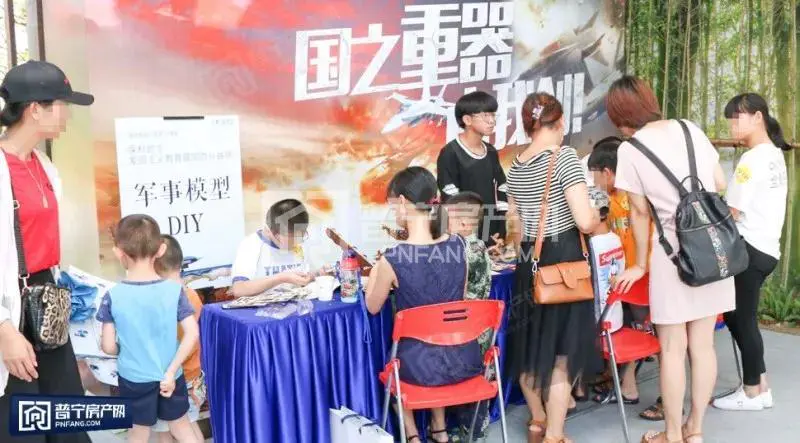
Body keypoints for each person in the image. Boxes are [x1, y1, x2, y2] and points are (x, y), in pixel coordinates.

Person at [607, 75, 735, 443]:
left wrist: (639, 264)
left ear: (620, 116)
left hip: (672, 254)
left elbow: (638, 211)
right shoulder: (689, 128)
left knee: (673, 349)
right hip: (711, 249)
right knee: (703, 346)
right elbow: (719, 183)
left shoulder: (630, 150)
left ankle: (672, 434)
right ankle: (695, 429)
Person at [0, 60, 94, 443]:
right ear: (34, 109)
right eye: (61, 105)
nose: (66, 115)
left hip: (46, 302)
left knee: (67, 419)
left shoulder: (43, 164)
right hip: (11, 308)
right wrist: (4, 330)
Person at [505, 92, 600, 443]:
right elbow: (584, 220)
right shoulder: (565, 158)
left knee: (531, 348)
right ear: (559, 122)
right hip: (563, 265)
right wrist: (596, 212)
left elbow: (515, 226)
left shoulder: (515, 166)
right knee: (561, 357)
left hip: (528, 262)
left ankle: (537, 419)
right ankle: (555, 436)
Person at [365, 167, 483, 443]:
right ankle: (439, 430)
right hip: (464, 360)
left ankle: (413, 437)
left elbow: (372, 307)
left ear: (402, 202)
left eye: (392, 206)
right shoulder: (459, 246)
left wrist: (375, 272)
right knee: (435, 341)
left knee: (398, 363)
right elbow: (457, 299)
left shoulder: (393, 259)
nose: (393, 213)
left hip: (418, 370)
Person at [712, 93, 790, 412]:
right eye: (730, 119)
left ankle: (751, 392)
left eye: (737, 117)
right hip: (767, 248)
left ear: (758, 117)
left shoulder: (751, 160)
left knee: (741, 319)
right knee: (739, 316)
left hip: (748, 249)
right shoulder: (773, 154)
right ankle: (762, 385)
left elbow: (732, 211)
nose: (732, 125)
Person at [97, 215, 200, 443]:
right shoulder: (174, 291)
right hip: (170, 375)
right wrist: (171, 371)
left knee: (138, 432)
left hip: (133, 378)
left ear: (118, 252)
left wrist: (122, 349)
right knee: (182, 427)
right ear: (161, 249)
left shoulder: (113, 296)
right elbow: (192, 333)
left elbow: (108, 346)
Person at [587, 137, 664, 420]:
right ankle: (627, 386)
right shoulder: (611, 200)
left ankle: (666, 399)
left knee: (661, 339)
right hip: (628, 282)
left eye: (595, 175)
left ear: (607, 172)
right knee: (632, 328)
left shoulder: (636, 198)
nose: (594, 181)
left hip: (648, 278)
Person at [436, 90, 508, 245]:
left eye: (493, 115)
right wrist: (470, 235)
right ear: (467, 119)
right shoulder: (450, 153)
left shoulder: (490, 151)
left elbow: (501, 187)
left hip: (493, 232)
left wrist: (501, 228)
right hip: (465, 236)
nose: (491, 121)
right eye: (485, 115)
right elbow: (451, 198)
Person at [153, 235, 206, 441]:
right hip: (192, 376)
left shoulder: (169, 300)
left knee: (168, 431)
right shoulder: (191, 295)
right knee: (188, 425)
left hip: (174, 378)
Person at [230, 199, 314, 297]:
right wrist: (281, 278)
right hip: (260, 305)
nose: (296, 244)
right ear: (270, 232)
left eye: (300, 237)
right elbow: (239, 289)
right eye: (290, 240)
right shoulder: (252, 245)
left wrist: (314, 275)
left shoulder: (300, 243)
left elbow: (304, 275)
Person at [445, 191, 492, 301]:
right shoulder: (479, 244)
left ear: (464, 224)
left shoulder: (459, 249)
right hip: (480, 307)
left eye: (447, 219)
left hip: (463, 308)